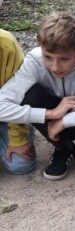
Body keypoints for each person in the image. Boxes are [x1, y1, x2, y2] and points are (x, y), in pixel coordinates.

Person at [0, 13, 75, 180]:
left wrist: (65, 121)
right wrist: (50, 114)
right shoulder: (34, 60)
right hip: (52, 123)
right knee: (29, 93)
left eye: (64, 59)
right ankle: (63, 147)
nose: (55, 66)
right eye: (48, 57)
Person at [0, 28, 36, 175]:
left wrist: (17, 139)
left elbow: (18, 93)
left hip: (5, 111)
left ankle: (25, 128)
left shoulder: (5, 43)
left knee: (20, 165)